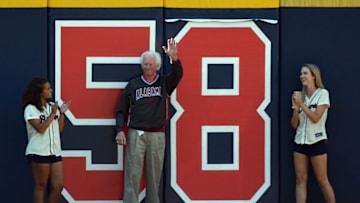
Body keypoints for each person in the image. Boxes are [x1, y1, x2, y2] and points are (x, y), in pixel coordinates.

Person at [115, 37, 183, 203]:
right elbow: (121, 110)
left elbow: (177, 75)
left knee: (154, 178)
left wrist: (174, 59)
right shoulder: (133, 85)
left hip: (157, 135)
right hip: (135, 133)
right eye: (145, 64)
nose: (147, 67)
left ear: (157, 66)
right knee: (132, 175)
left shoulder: (164, 83)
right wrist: (119, 131)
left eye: (150, 64)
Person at [291, 64, 336, 203]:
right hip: (300, 141)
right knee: (300, 180)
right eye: (301, 74)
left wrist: (302, 105)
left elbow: (316, 118)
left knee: (322, 180)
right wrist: (296, 107)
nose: (302, 76)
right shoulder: (300, 96)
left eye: (305, 73)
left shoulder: (322, 93)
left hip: (317, 141)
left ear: (314, 76)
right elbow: (294, 124)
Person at [22, 77, 71, 203]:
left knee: (58, 186)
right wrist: (53, 114)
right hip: (39, 151)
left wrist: (62, 114)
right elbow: (40, 128)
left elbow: (59, 129)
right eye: (48, 89)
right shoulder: (31, 108)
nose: (51, 91)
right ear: (40, 92)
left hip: (54, 151)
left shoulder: (51, 106)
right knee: (41, 185)